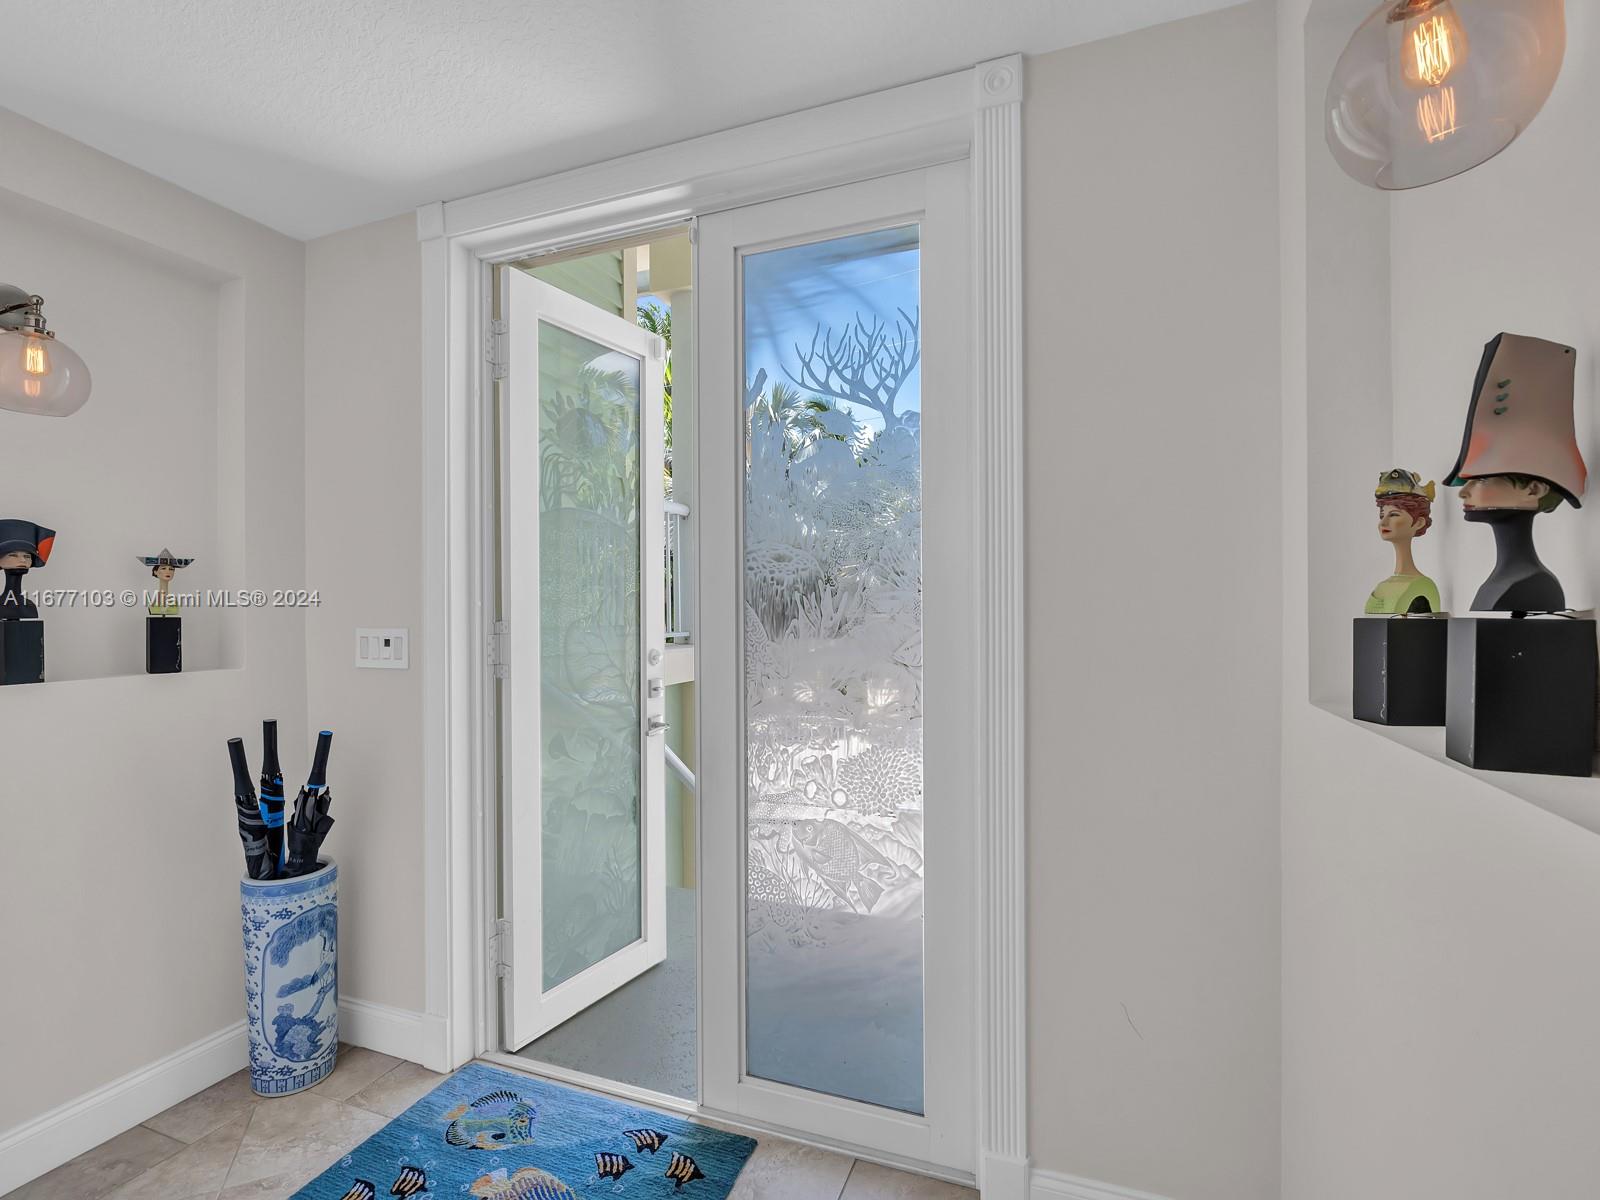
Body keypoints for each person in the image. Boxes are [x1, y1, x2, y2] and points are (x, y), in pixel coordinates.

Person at [1365, 469, 1441, 615]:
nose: (1383, 522)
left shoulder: (1422, 585)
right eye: (1382, 515)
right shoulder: (1382, 586)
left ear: (1419, 523)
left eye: (1393, 514)